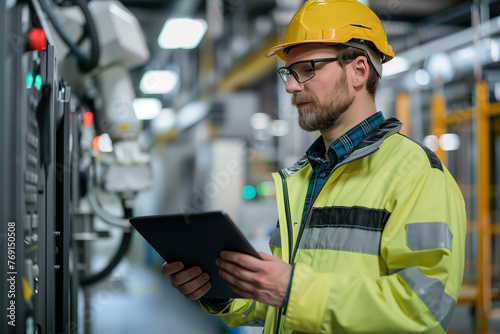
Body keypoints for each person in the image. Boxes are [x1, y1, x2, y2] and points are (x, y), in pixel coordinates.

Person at [161, 0, 467, 333]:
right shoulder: (302, 178)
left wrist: (294, 290)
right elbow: (279, 305)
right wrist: (221, 291)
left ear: (359, 71)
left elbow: (423, 310)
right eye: (289, 73)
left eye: (308, 69)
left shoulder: (416, 175)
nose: (292, 86)